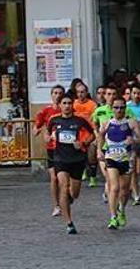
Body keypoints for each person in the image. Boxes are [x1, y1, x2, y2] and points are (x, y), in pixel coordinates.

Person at [46, 94, 95, 234]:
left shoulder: (79, 121)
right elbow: (47, 133)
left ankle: (68, 199)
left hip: (77, 159)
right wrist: (48, 138)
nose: (67, 106)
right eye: (64, 103)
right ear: (60, 105)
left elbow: (92, 134)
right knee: (63, 186)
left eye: (69, 103)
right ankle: (69, 223)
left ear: (72, 105)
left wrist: (83, 143)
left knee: (74, 192)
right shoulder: (54, 120)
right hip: (60, 159)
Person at [97, 96, 140, 229]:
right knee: (114, 187)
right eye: (116, 107)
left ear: (125, 108)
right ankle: (113, 217)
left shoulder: (131, 122)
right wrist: (99, 150)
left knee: (125, 190)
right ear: (112, 109)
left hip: (126, 158)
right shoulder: (107, 123)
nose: (119, 110)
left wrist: (133, 140)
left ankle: (121, 209)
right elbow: (100, 136)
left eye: (122, 107)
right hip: (111, 158)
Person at [33, 85, 63, 216]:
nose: (57, 95)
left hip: (66, 148)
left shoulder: (69, 110)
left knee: (65, 179)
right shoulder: (45, 111)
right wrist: (39, 131)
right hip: (52, 148)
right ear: (51, 95)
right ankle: (56, 205)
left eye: (60, 93)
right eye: (55, 93)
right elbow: (36, 127)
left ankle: (65, 199)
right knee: (54, 177)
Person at [71, 79, 99, 187]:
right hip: (78, 133)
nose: (80, 94)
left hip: (90, 132)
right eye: (78, 92)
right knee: (79, 154)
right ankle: (83, 171)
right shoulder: (73, 104)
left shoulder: (92, 105)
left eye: (83, 92)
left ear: (86, 92)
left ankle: (93, 177)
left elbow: (95, 120)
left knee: (91, 155)